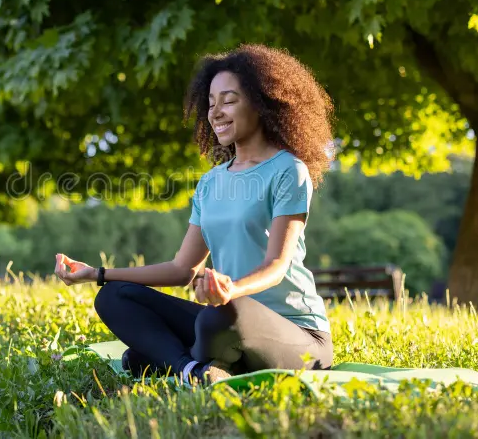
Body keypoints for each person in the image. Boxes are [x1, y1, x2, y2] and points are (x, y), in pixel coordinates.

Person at [54, 44, 336, 385]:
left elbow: (276, 266)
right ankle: (193, 369)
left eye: (229, 100)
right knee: (115, 296)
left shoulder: (287, 170)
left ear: (262, 104)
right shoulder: (210, 182)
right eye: (211, 103)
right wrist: (97, 273)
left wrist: (231, 289)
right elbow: (180, 269)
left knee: (215, 320)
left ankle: (173, 357)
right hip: (227, 314)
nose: (215, 112)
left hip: (297, 334)